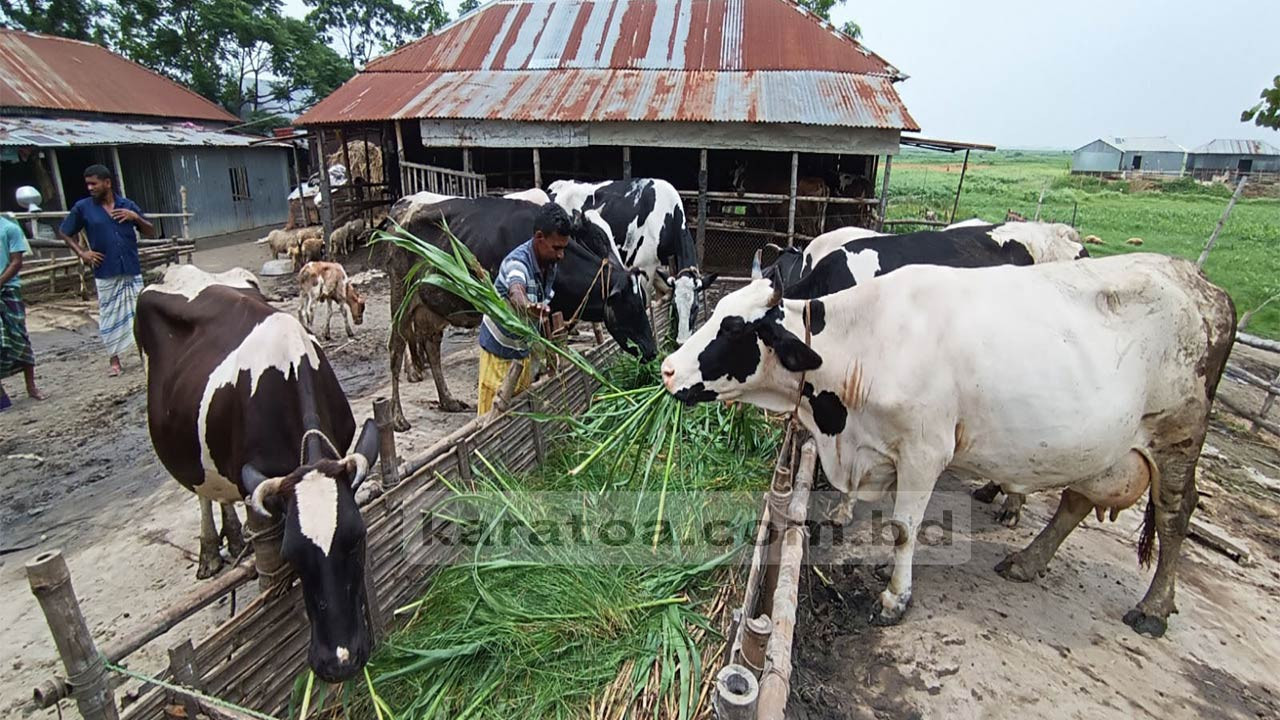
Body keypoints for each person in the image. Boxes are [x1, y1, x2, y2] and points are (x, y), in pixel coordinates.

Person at [57, 164, 155, 375]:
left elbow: (151, 232)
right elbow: (64, 232)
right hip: (105, 269)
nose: (90, 188)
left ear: (107, 183)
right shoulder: (83, 208)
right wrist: (82, 252)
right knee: (109, 315)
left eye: (94, 183)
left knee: (140, 313)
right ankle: (115, 361)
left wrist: (136, 217)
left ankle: (143, 353)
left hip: (130, 268)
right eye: (88, 184)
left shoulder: (126, 205)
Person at [476, 203, 571, 415]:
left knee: (519, 410)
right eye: (557, 248)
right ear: (539, 238)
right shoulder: (517, 262)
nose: (561, 255)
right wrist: (528, 306)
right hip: (499, 353)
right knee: (493, 418)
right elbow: (516, 290)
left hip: (522, 351)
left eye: (564, 248)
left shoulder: (549, 265)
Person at [0, 214, 45, 409]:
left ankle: (31, 386)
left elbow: (16, 262)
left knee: (19, 336)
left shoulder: (9, 229)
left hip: (8, 289)